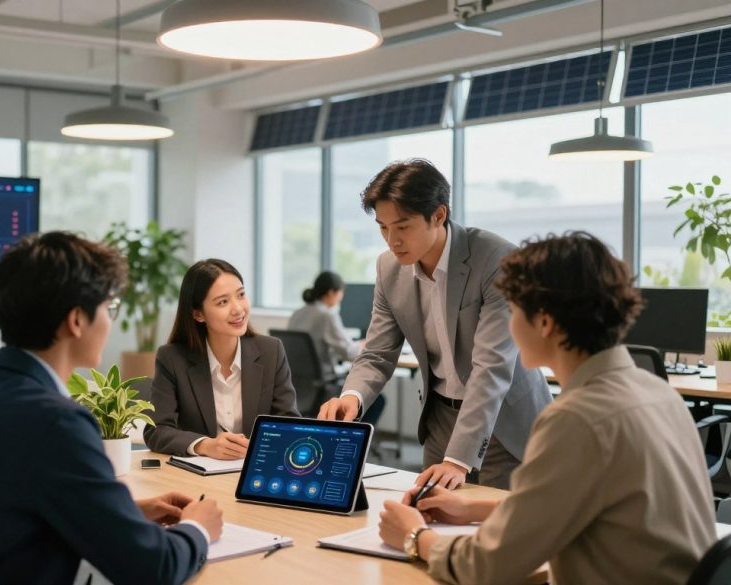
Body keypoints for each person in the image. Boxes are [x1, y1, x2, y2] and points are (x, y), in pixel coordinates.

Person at [378, 232, 716, 585]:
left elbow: (485, 567)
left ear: (544, 322)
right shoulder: (657, 393)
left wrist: (414, 536)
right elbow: (589, 507)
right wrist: (472, 508)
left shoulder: (575, 419)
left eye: (512, 310)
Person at [0, 232, 223, 585]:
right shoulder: (56, 422)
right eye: (109, 308)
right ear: (77, 320)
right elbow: (152, 569)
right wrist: (197, 528)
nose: (110, 322)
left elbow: (5, 508)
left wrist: (122, 513)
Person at [318, 159, 552, 489]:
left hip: (502, 420)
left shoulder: (496, 259)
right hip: (441, 419)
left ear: (439, 215)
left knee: (497, 529)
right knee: (432, 519)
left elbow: (491, 367)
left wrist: (458, 461)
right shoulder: (389, 269)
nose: (391, 240)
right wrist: (352, 396)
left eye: (403, 227)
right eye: (383, 227)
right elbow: (377, 353)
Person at [144, 259, 300, 459]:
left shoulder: (271, 351)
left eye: (241, 295)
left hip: (254, 471)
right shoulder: (172, 358)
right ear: (199, 314)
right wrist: (205, 445)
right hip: (197, 477)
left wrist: (259, 448)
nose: (238, 309)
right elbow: (156, 431)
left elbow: (289, 422)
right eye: (222, 302)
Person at [287, 271, 365, 381]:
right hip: (323, 383)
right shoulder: (327, 316)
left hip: (298, 383)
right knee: (378, 398)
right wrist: (365, 344)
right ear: (331, 293)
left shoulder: (297, 313)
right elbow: (350, 354)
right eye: (341, 292)